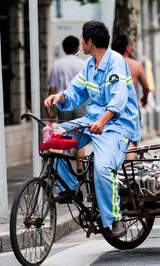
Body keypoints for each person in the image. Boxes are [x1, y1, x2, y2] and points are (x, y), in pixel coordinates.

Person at [44, 21, 140, 237]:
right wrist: (59, 97)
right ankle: (69, 189)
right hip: (93, 121)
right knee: (55, 136)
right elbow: (75, 91)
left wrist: (103, 121)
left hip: (117, 125)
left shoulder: (115, 61)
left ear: (89, 42)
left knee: (103, 168)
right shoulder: (89, 65)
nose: (81, 42)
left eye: (82, 39)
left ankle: (115, 219)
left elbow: (119, 98)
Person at [47, 36, 87, 172]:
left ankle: (66, 170)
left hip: (62, 103)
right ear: (77, 47)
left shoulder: (57, 64)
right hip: (80, 104)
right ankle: (80, 168)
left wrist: (51, 109)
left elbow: (52, 88)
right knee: (80, 136)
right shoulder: (82, 63)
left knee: (64, 136)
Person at [111, 35, 150, 159]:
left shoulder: (109, 64)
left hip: (113, 106)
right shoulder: (136, 65)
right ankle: (129, 171)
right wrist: (145, 98)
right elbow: (146, 86)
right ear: (127, 48)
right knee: (131, 140)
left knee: (113, 138)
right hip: (130, 106)